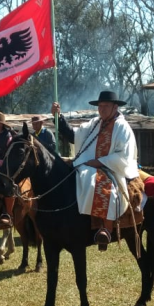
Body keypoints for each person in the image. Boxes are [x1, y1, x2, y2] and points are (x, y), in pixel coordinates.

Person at [50, 90, 139, 250]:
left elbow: (123, 156)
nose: (102, 109)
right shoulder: (94, 124)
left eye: (106, 106)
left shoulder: (122, 127)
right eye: (100, 106)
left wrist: (98, 162)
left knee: (99, 183)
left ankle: (106, 228)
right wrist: (59, 117)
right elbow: (73, 135)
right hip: (87, 164)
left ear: (115, 107)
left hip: (113, 168)